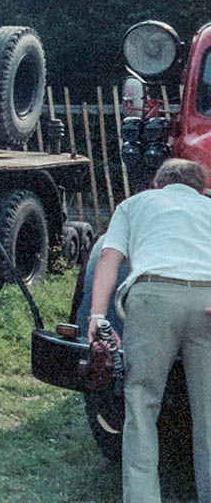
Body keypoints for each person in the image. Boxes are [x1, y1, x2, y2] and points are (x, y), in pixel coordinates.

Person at [88, 157, 211, 503]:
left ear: (157, 185)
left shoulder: (134, 205)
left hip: (152, 297)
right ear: (201, 188)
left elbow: (109, 258)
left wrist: (97, 316)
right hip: (206, 300)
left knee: (141, 405)